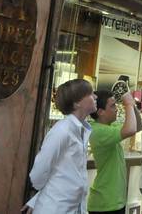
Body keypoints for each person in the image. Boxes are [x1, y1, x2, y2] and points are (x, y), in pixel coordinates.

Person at [23, 79, 97, 214]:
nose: (95, 97)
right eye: (91, 94)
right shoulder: (62, 131)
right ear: (77, 103)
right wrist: (47, 195)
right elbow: (39, 173)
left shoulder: (80, 130)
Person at [87, 88, 142, 214]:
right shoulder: (97, 130)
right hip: (105, 203)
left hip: (113, 201)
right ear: (101, 112)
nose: (117, 109)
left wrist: (132, 105)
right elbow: (130, 130)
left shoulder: (109, 127)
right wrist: (128, 104)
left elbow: (137, 126)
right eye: (112, 106)